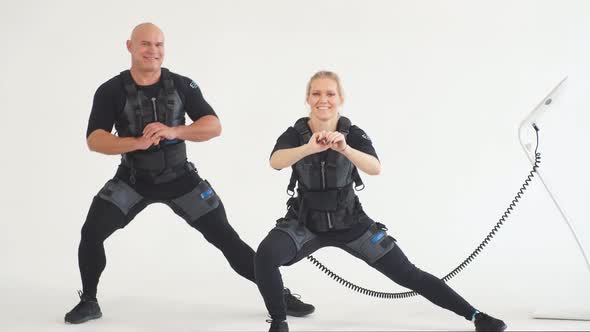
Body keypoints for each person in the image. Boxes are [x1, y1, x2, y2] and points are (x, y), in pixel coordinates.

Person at [64, 23, 314, 324]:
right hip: (133, 180)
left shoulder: (182, 85)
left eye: (158, 45)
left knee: (227, 239)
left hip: (181, 180)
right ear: (129, 46)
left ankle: (279, 296)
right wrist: (136, 143)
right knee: (91, 234)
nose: (153, 51)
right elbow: (95, 139)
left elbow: (213, 125)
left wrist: (174, 130)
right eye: (145, 44)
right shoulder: (111, 90)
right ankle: (89, 301)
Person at [254, 70, 508, 332]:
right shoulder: (295, 134)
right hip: (305, 222)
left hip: (350, 223)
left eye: (330, 93)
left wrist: (345, 148)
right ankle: (279, 321)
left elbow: (375, 168)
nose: (323, 99)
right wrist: (310, 147)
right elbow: (276, 161)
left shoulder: (352, 133)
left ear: (340, 98)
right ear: (308, 99)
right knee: (265, 256)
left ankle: (477, 317)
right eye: (316, 93)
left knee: (407, 273)